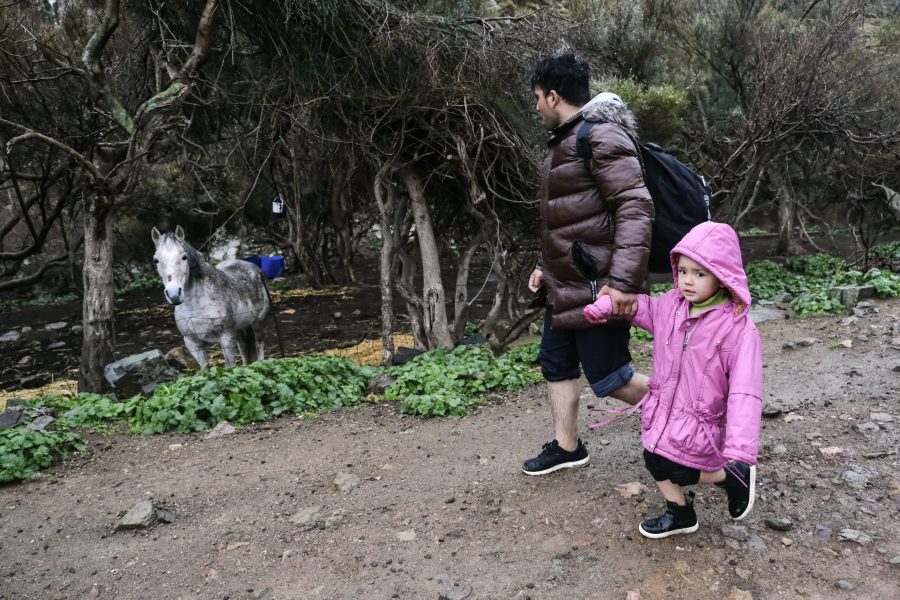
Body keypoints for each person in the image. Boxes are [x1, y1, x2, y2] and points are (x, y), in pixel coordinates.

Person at [584, 221, 762, 538]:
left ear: (722, 275)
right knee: (654, 458)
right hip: (664, 410)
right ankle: (679, 513)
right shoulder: (671, 306)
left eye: (699, 273)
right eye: (683, 271)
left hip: (702, 421)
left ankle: (733, 476)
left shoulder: (737, 329)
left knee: (682, 468)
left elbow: (745, 393)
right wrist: (609, 304)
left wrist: (739, 449)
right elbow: (641, 307)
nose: (687, 281)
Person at [522, 53, 654, 476]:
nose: (536, 106)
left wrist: (624, 283)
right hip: (565, 285)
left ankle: (695, 418)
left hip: (600, 286)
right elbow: (567, 220)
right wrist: (546, 266)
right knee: (555, 363)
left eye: (537, 97)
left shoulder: (601, 137)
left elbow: (635, 207)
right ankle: (568, 446)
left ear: (554, 96)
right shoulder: (564, 142)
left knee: (611, 377)